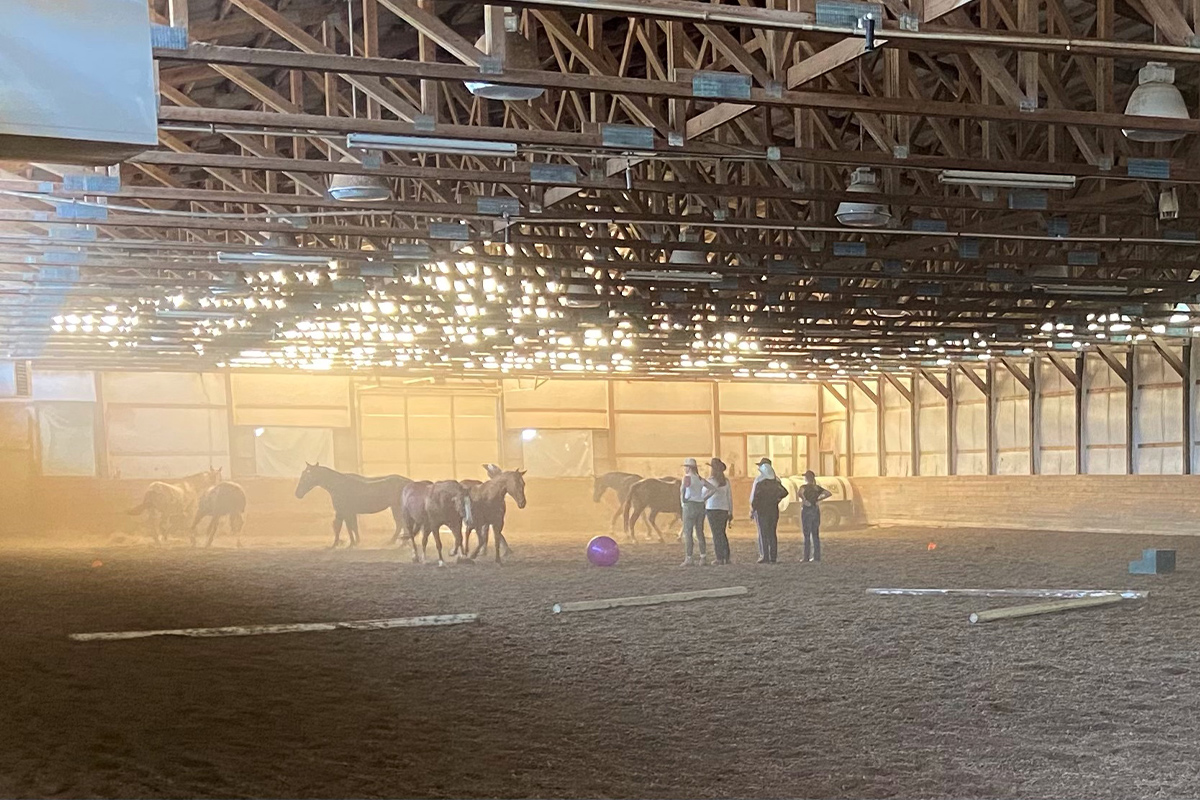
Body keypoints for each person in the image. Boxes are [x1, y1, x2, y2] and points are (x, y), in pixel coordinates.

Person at [749, 457, 787, 564]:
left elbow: (754, 497)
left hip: (761, 511)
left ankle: (764, 555)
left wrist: (752, 509)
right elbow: (784, 492)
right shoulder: (776, 480)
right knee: (772, 533)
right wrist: (777, 500)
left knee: (762, 533)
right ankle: (773, 556)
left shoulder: (759, 481)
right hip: (773, 510)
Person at [679, 457, 711, 566]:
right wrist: (703, 498)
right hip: (700, 505)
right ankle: (703, 557)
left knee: (688, 533)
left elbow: (683, 490)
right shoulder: (699, 478)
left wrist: (683, 500)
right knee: (700, 532)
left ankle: (689, 557)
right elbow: (712, 489)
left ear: (688, 468)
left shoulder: (687, 478)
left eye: (686, 467)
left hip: (690, 506)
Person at [798, 470, 832, 562]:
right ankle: (817, 557)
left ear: (806, 478)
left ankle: (806, 557)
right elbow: (828, 493)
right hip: (815, 509)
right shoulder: (816, 488)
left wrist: (805, 500)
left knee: (806, 535)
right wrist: (819, 499)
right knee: (815, 534)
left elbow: (800, 493)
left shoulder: (803, 487)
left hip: (806, 510)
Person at [705, 458, 733, 565]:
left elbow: (704, 494)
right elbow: (729, 497)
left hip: (712, 509)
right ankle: (727, 557)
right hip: (724, 509)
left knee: (716, 534)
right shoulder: (726, 482)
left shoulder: (710, 481)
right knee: (722, 533)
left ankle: (719, 557)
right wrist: (730, 511)